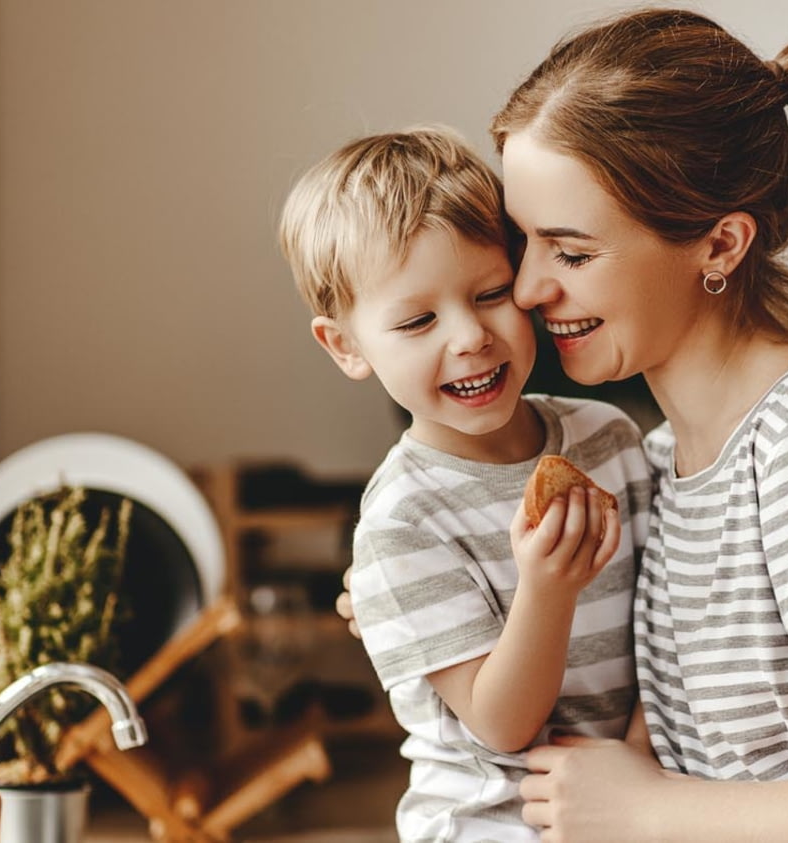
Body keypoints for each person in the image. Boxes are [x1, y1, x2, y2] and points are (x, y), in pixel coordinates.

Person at [339, 9, 788, 842]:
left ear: (719, 245)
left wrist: (643, 810)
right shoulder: (663, 463)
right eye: (523, 241)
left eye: (571, 252)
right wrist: (402, 593)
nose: (527, 289)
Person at [278, 126, 653, 842]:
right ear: (346, 345)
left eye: (490, 294)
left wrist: (640, 750)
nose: (470, 336)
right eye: (418, 319)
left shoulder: (610, 436)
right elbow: (502, 724)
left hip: (633, 802)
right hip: (490, 825)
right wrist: (546, 589)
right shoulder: (402, 522)